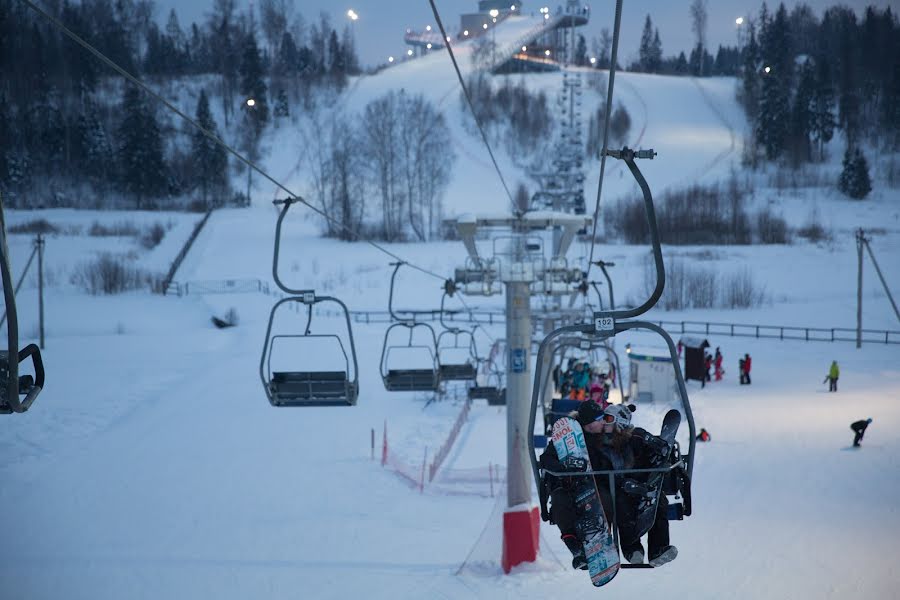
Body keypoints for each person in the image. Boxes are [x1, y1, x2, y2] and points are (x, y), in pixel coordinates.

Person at [539, 401, 677, 569]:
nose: (603, 422)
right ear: (588, 424)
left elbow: (629, 437)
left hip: (610, 485)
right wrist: (565, 468)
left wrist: (650, 442)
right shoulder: (569, 439)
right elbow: (547, 459)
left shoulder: (606, 434)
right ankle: (590, 551)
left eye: (604, 418)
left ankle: (647, 549)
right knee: (586, 502)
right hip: (585, 489)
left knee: (640, 500)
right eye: (599, 419)